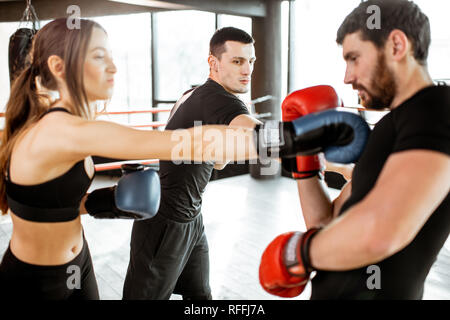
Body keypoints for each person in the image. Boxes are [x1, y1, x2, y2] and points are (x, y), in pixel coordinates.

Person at [0, 18, 258, 300]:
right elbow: (184, 143)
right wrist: (284, 137)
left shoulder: (67, 121)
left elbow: (52, 202)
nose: (113, 66)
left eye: (110, 55)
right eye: (99, 57)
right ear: (59, 68)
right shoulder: (65, 130)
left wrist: (104, 202)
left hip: (78, 265)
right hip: (35, 280)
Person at [258, 0, 450, 299]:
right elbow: (326, 224)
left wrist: (298, 252)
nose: (347, 77)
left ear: (396, 45)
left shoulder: (437, 108)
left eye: (354, 58)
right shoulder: (391, 126)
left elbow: (380, 232)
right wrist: (305, 158)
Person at [123, 27, 262, 300]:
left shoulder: (192, 93)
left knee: (200, 295)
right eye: (237, 61)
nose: (247, 70)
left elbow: (219, 162)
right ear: (214, 63)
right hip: (164, 223)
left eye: (251, 61)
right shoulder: (218, 99)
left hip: (191, 218)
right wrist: (331, 160)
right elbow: (268, 138)